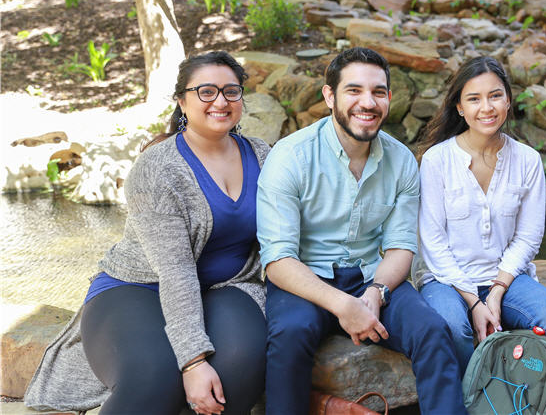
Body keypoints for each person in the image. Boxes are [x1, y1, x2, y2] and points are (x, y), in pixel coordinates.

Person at [25, 51, 269, 415]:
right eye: (206, 91)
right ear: (182, 101)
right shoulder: (157, 169)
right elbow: (176, 271)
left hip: (226, 286)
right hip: (137, 288)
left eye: (231, 91)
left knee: (241, 363)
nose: (220, 101)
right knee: (155, 375)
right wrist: (192, 361)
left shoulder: (263, 155)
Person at [257, 47, 467, 415]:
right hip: (305, 280)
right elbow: (278, 259)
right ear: (329, 96)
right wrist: (344, 306)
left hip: (373, 278)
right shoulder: (290, 156)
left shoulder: (401, 160)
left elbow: (401, 247)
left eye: (379, 92)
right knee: (290, 336)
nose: (367, 102)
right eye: (353, 91)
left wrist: (376, 293)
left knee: (432, 331)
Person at [414, 56, 546, 368]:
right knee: (452, 327)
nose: (487, 108)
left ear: (509, 101)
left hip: (505, 277)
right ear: (460, 107)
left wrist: (497, 291)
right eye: (474, 99)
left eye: (495, 96)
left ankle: (510, 384)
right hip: (446, 280)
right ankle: (474, 395)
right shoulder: (436, 160)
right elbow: (432, 241)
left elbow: (528, 237)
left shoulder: (527, 160)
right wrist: (473, 301)